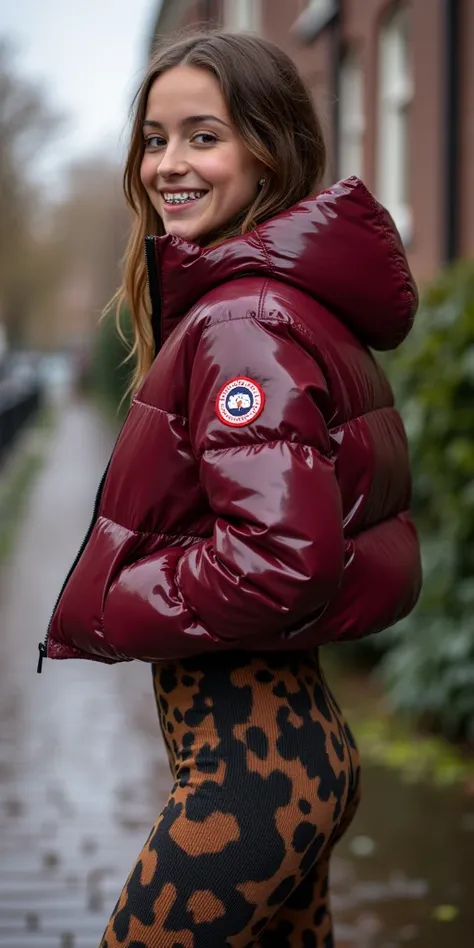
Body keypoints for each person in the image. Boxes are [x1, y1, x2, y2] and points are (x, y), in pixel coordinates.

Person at [40, 30, 422, 948]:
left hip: (250, 774)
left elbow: (281, 558)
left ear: (269, 151)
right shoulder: (267, 302)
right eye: (154, 138)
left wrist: (116, 596)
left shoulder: (242, 321)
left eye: (202, 136)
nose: (169, 164)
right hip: (288, 750)